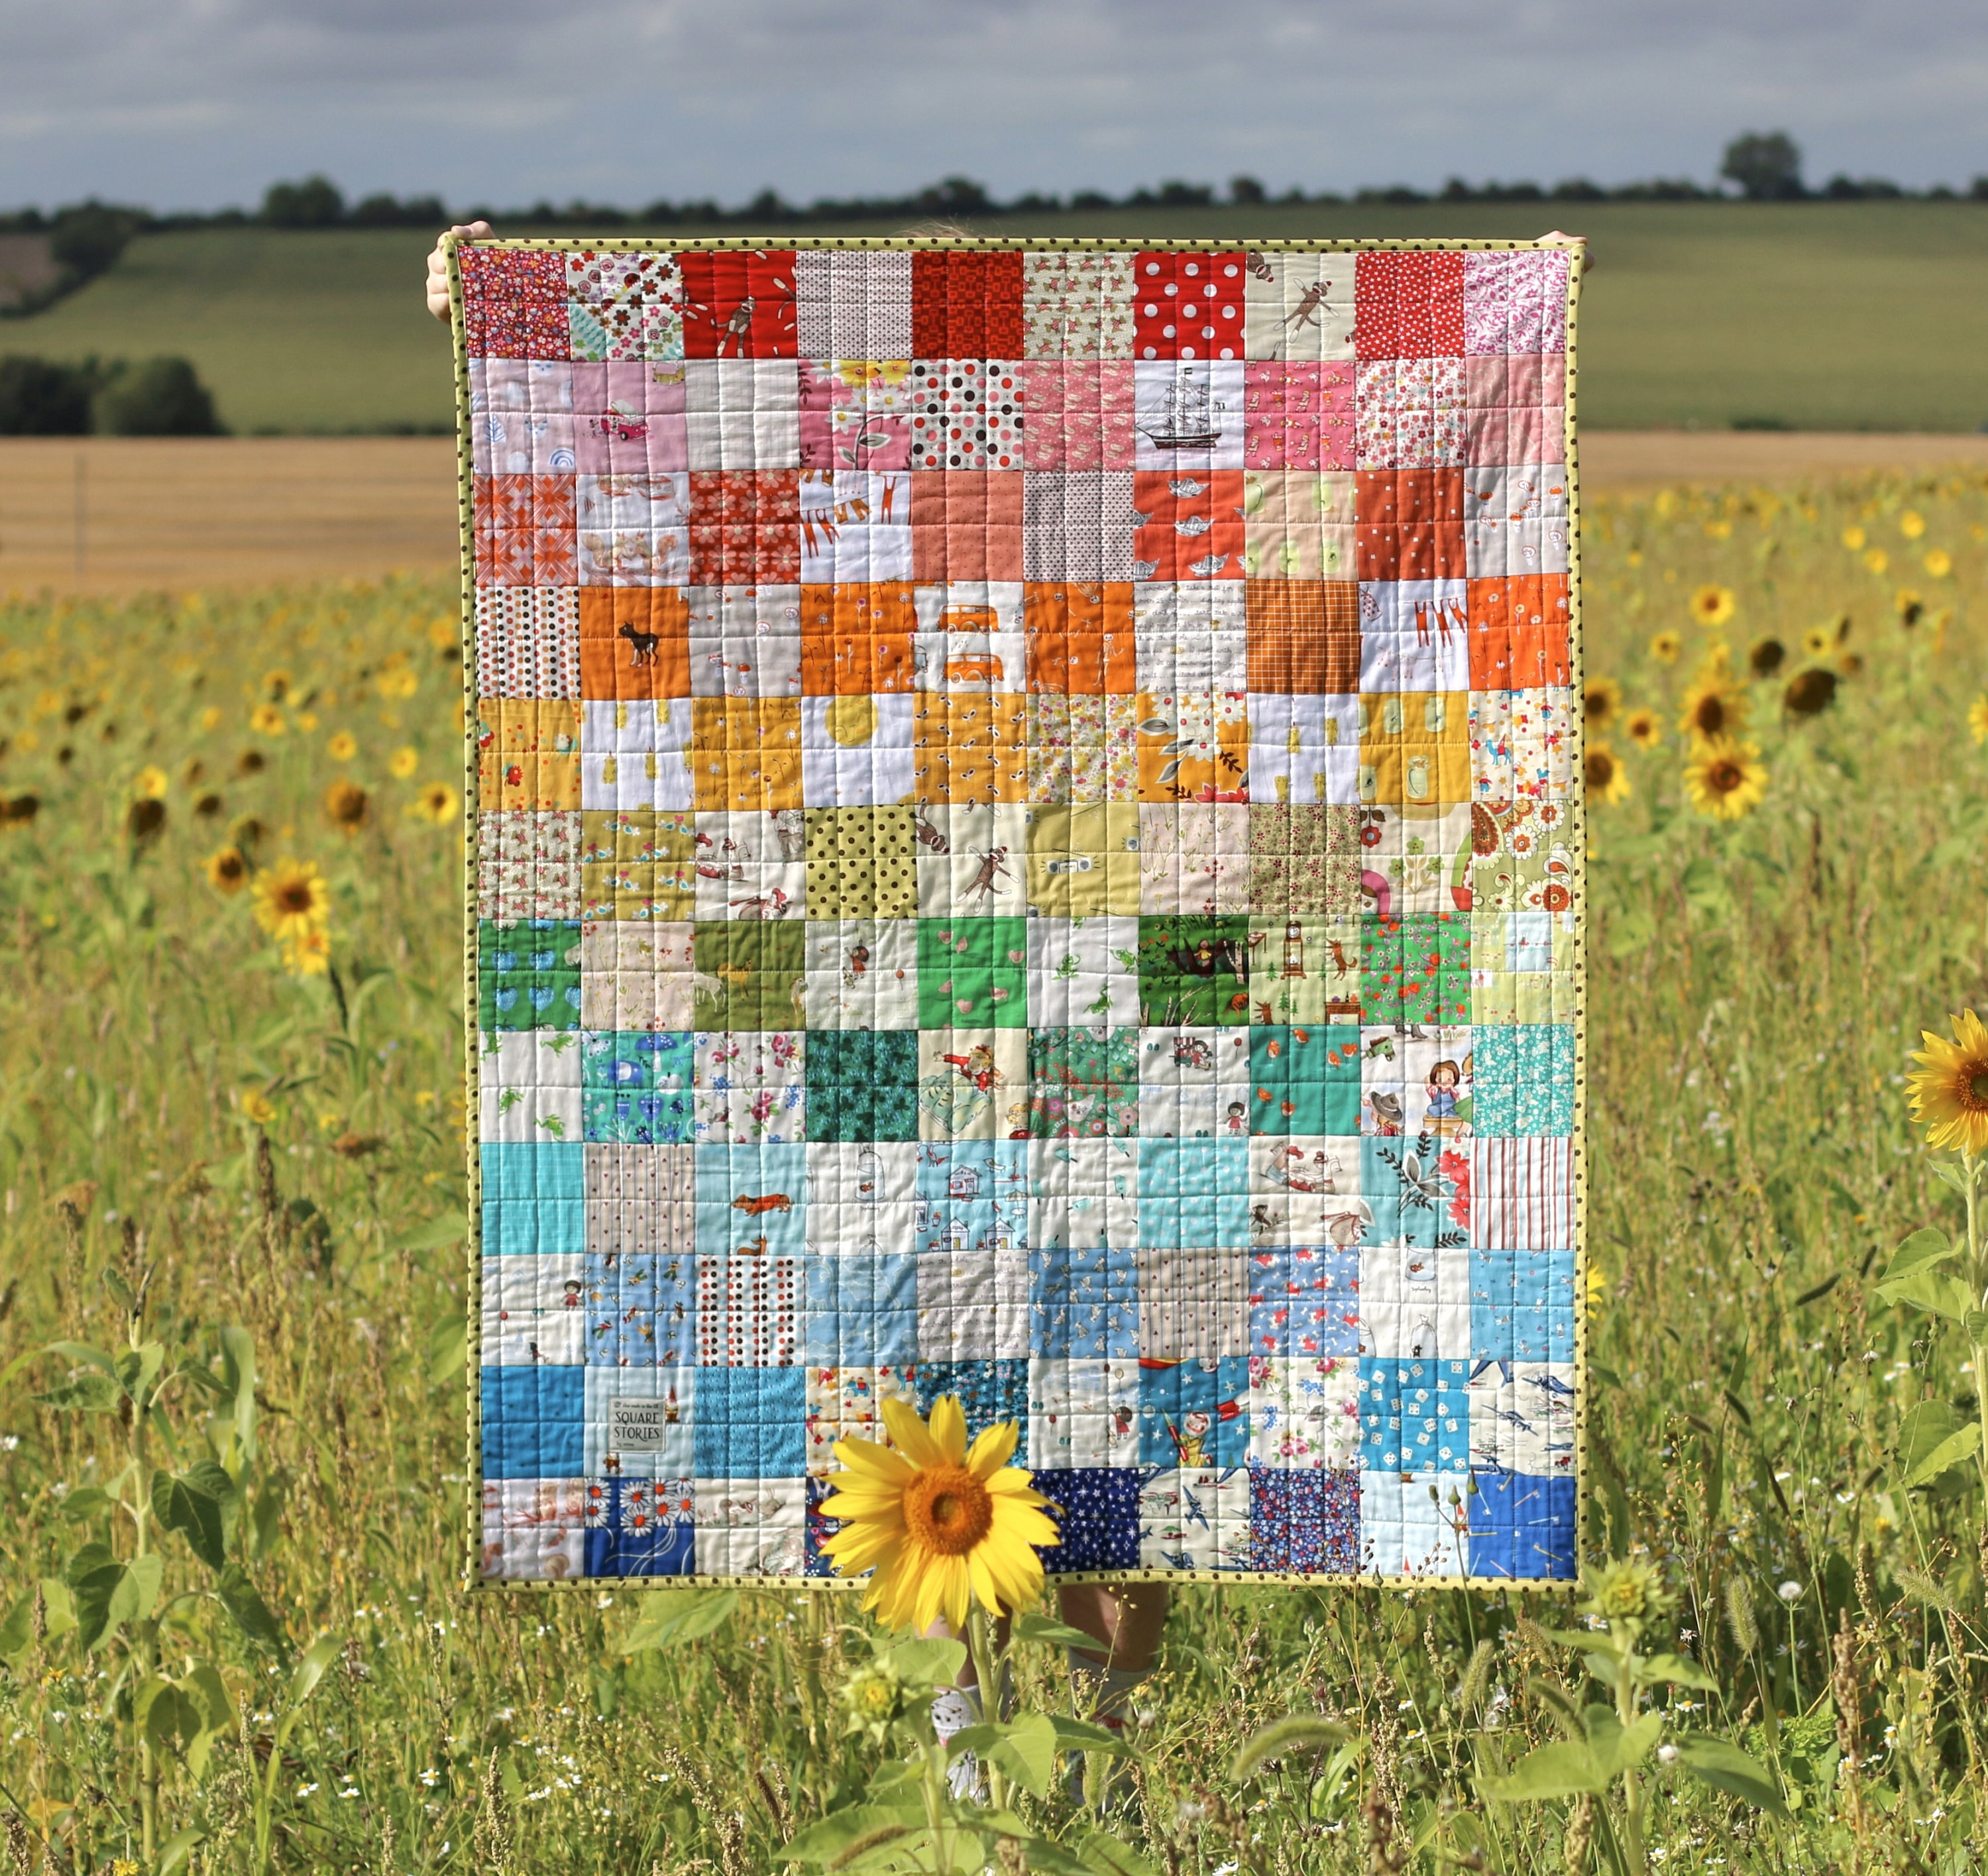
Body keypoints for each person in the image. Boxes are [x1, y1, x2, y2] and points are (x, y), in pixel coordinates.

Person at [424, 215, 1586, 1798]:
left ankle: (1070, 1763)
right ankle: (987, 1764)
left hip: (1142, 988)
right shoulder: (903, 563)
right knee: (921, 1389)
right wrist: (512, 309)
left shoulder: (1143, 571)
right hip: (918, 991)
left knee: (1148, 1379)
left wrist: (1517, 308)